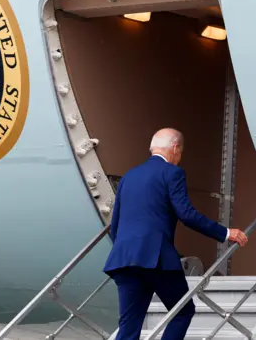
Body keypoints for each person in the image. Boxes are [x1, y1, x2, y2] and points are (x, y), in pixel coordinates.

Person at [103, 128, 248, 340]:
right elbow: (187, 215)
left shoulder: (128, 177)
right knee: (182, 311)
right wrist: (225, 232)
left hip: (123, 260)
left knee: (129, 326)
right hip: (156, 259)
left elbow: (115, 225)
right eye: (181, 153)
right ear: (175, 148)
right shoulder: (172, 173)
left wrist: (129, 251)